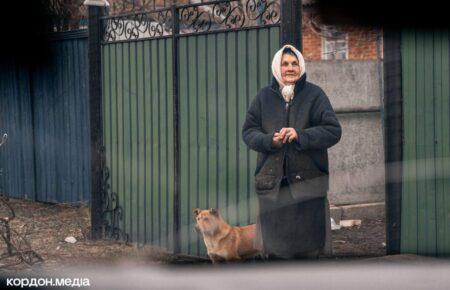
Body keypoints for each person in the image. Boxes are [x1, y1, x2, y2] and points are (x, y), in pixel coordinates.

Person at [242, 44, 342, 260]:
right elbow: (249, 132)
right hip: (272, 187)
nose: (290, 68)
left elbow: (333, 131)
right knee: (276, 253)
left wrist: (300, 135)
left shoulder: (315, 95)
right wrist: (270, 140)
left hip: (307, 186)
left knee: (307, 253)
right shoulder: (263, 98)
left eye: (294, 63)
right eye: (285, 63)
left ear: (301, 66)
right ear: (277, 67)